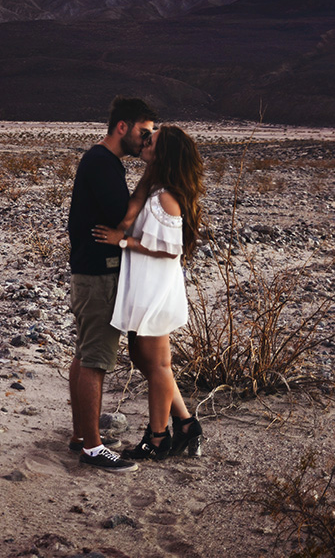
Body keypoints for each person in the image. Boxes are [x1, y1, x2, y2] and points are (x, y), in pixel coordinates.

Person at [92, 124, 205, 461]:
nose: (144, 141)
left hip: (155, 288)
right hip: (142, 284)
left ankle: (157, 438)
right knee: (144, 359)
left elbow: (171, 250)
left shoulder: (167, 199)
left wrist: (122, 241)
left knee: (157, 364)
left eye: (151, 141)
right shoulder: (155, 187)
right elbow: (137, 199)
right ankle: (185, 423)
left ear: (163, 153)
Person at [66, 96, 157, 472]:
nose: (147, 140)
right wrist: (152, 172)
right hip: (98, 274)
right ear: (123, 126)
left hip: (90, 270)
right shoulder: (103, 164)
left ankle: (80, 436)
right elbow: (123, 218)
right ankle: (93, 447)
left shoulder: (102, 162)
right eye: (144, 132)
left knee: (85, 353)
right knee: (96, 359)